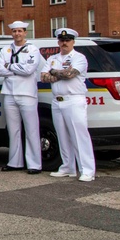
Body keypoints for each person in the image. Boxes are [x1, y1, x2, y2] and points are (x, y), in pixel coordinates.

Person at [42, 28, 95, 182]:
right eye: (62, 40)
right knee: (62, 136)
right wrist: (58, 73)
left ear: (73, 42)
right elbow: (44, 77)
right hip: (57, 100)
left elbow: (71, 74)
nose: (64, 43)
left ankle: (87, 170)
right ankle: (68, 167)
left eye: (68, 40)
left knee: (79, 136)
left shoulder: (79, 57)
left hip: (74, 100)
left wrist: (53, 72)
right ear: (58, 41)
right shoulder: (52, 58)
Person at [0, 21, 45, 174]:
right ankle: (15, 162)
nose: (17, 34)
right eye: (14, 31)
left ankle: (34, 164)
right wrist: (18, 69)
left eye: (20, 31)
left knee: (31, 129)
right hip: (9, 93)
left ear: (25, 33)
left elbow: (29, 70)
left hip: (27, 94)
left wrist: (9, 66)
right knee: (13, 130)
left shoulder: (32, 49)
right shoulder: (6, 49)